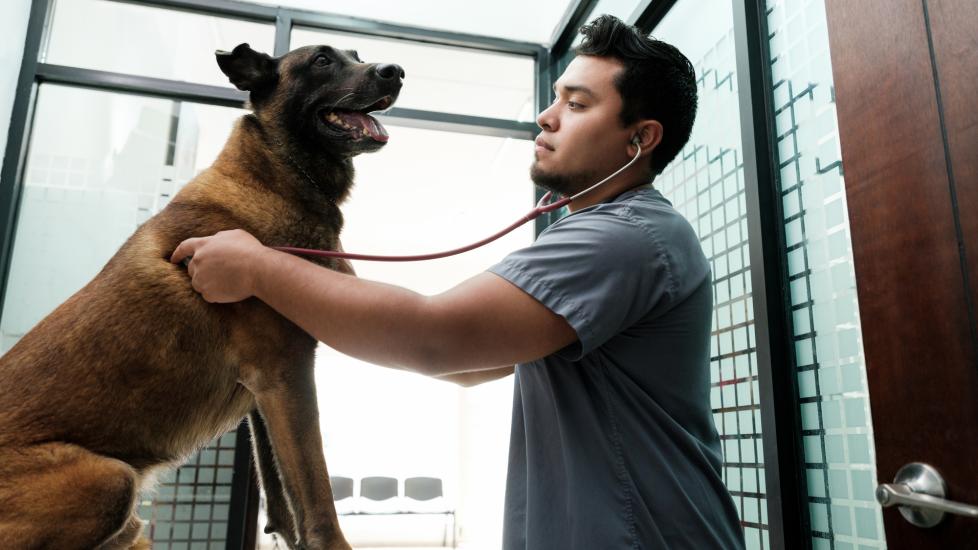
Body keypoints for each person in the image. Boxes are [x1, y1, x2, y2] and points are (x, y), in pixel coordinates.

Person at [171, 14, 745, 550]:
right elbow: (470, 366)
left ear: (638, 140)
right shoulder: (611, 234)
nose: (547, 116)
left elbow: (438, 339)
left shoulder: (624, 239)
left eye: (577, 104)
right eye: (554, 99)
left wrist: (258, 268)